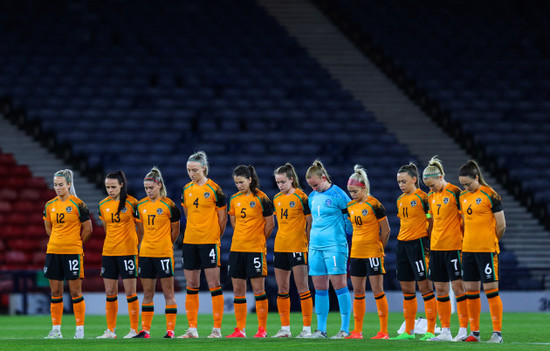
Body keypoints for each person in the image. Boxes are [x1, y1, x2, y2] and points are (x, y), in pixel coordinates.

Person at [179, 151, 227, 339]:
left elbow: (222, 219)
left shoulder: (215, 189)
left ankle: (216, 329)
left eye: (195, 170)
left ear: (204, 169)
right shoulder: (186, 190)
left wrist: (214, 235)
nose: (191, 173)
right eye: (189, 170)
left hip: (209, 242)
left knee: (214, 284)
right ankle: (192, 329)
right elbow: (187, 214)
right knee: (191, 285)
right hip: (190, 242)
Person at [422, 157, 469, 341]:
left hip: (454, 247)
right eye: (428, 186)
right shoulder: (430, 197)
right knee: (440, 289)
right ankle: (445, 331)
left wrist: (464, 239)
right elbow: (432, 220)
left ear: (441, 176)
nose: (430, 189)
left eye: (432, 185)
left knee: (458, 288)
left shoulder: (456, 193)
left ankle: (463, 329)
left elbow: (465, 219)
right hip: (436, 248)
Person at [458, 160, 506, 343]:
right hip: (468, 250)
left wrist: (491, 241)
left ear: (476, 177)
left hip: (486, 250)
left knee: (491, 290)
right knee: (470, 290)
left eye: (468, 184)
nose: (465, 187)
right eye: (463, 184)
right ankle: (475, 333)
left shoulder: (491, 195)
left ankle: (497, 334)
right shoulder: (462, 197)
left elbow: (501, 225)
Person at [305, 160, 352, 339]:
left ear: (323, 177)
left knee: (339, 286)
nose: (314, 188)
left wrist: (344, 237)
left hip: (335, 246)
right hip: (315, 247)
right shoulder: (311, 197)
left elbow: (350, 221)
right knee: (319, 288)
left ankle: (345, 330)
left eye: (316, 184)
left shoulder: (339, 195)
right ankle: (321, 330)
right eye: (311, 186)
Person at [226, 165, 274, 338]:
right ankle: (240, 329)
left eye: (241, 182)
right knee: (238, 291)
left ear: (250, 180)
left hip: (255, 250)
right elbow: (233, 222)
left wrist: (259, 239)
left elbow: (270, 224)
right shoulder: (233, 199)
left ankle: (262, 330)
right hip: (237, 249)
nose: (239, 185)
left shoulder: (262, 198)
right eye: (236, 182)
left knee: (258, 290)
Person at [43, 169, 93, 339]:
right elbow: (48, 228)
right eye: (55, 185)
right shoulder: (49, 205)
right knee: (55, 292)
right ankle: (56, 330)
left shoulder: (79, 204)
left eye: (61, 185)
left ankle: (79, 330)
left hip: (73, 253)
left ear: (69, 184)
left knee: (75, 292)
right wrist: (58, 240)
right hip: (54, 251)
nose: (57, 188)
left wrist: (76, 243)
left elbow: (88, 229)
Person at [133, 167, 181, 339]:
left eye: (151, 188)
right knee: (147, 294)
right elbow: (140, 230)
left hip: (164, 254)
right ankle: (145, 330)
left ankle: (170, 330)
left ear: (159, 186)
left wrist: (166, 243)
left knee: (168, 293)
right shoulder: (140, 205)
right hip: (146, 253)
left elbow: (175, 230)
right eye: (146, 188)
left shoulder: (169, 205)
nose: (148, 191)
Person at [391, 162, 437, 341]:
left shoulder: (423, 197)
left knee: (425, 287)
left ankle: (430, 330)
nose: (401, 185)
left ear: (414, 180)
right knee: (407, 289)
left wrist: (427, 235)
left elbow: (430, 217)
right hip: (402, 245)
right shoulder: (400, 199)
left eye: (404, 181)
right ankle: (408, 331)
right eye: (399, 182)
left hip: (419, 244)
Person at [345, 165, 391, 340]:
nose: (352, 195)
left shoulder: (375, 204)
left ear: (363, 188)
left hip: (372, 253)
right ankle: (357, 331)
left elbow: (386, 230)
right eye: (350, 192)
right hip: (356, 253)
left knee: (378, 291)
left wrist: (380, 248)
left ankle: (384, 331)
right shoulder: (350, 206)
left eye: (355, 191)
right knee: (358, 292)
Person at [96, 170, 141, 339]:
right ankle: (110, 330)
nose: (110, 190)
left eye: (113, 187)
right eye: (108, 187)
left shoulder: (132, 203)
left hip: (128, 252)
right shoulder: (103, 205)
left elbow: (141, 229)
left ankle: (133, 330)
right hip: (109, 252)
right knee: (110, 292)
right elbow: (106, 228)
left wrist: (136, 245)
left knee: (130, 292)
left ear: (121, 185)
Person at [271, 163, 313, 338]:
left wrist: (308, 243)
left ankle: (306, 329)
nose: (280, 185)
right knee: (282, 289)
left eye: (282, 182)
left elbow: (310, 222)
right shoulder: (276, 199)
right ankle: (285, 329)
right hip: (280, 247)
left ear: (291, 179)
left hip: (298, 247)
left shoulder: (302, 197)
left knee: (302, 288)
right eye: (277, 182)